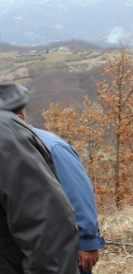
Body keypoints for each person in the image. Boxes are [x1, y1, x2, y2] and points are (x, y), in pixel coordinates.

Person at [0, 83, 105, 274]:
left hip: (63, 249)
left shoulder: (52, 146)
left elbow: (78, 193)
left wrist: (87, 241)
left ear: (17, 119)